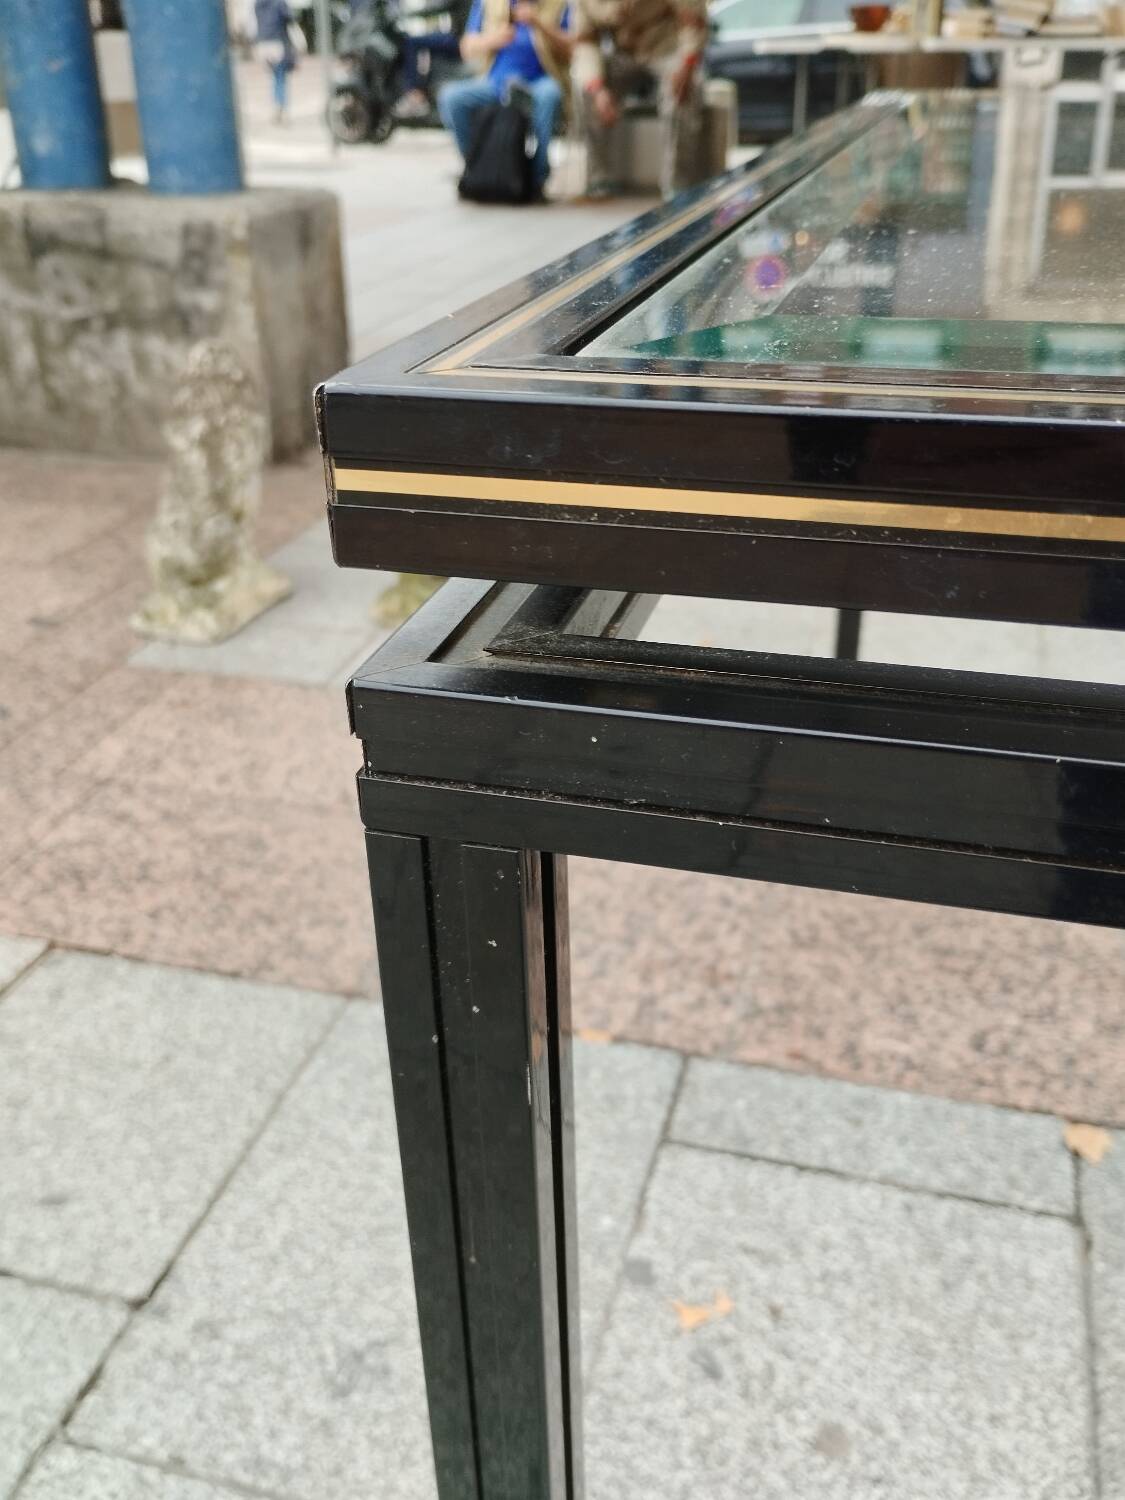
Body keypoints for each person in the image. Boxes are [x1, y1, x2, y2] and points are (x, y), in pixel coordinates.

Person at [572, 0, 706, 198]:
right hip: (623, 53)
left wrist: (686, 64)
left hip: (665, 47)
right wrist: (597, 88)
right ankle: (599, 181)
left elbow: (693, 23)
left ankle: (678, 186)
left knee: (686, 88)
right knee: (587, 88)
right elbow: (585, 42)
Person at [438, 0, 571, 197]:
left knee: (550, 95)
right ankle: (477, 167)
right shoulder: (488, 3)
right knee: (451, 97)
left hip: (538, 81)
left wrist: (538, 23)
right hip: (496, 82)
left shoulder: (557, 4)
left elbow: (571, 48)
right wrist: (493, 39)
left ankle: (537, 178)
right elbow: (467, 47)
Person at [255, 0, 298, 123]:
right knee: (280, 77)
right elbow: (290, 17)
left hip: (262, 42)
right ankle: (281, 108)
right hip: (277, 41)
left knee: (274, 76)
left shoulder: (258, 3)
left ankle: (276, 106)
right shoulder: (279, 2)